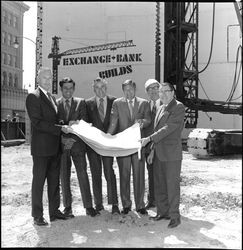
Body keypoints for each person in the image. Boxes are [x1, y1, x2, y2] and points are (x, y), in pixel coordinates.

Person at [25, 67, 72, 226]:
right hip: (41, 149)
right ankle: (37, 215)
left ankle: (54, 212)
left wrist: (65, 124)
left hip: (55, 148)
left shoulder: (52, 97)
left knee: (54, 181)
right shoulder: (33, 97)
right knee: (39, 182)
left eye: (49, 78)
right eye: (44, 78)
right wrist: (60, 129)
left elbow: (54, 120)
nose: (47, 80)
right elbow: (37, 123)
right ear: (38, 79)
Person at [140, 82, 185, 228]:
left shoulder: (178, 107)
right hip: (159, 153)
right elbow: (158, 128)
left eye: (166, 91)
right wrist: (152, 150)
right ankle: (162, 212)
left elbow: (169, 128)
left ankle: (174, 217)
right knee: (159, 185)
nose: (163, 94)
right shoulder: (160, 108)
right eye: (161, 92)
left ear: (173, 92)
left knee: (172, 186)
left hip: (172, 154)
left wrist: (150, 139)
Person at [107, 79, 151, 215]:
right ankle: (126, 205)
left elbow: (148, 120)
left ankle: (140, 205)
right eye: (125, 90)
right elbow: (113, 122)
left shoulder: (144, 103)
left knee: (139, 176)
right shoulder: (117, 103)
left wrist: (142, 122)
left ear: (135, 89)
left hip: (138, 146)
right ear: (123, 90)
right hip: (123, 146)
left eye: (130, 89)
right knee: (124, 175)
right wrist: (108, 136)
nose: (128, 92)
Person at [57, 77, 98, 218]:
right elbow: (55, 125)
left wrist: (73, 137)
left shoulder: (81, 102)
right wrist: (64, 139)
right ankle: (67, 207)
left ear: (74, 89)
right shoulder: (55, 104)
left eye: (70, 88)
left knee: (82, 174)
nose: (68, 91)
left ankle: (88, 206)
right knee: (64, 176)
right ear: (61, 89)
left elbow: (85, 122)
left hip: (78, 145)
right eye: (65, 88)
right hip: (62, 146)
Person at [85, 77, 120, 215]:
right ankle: (98, 203)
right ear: (94, 89)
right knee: (95, 173)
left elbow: (116, 121)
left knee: (109, 172)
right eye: (97, 88)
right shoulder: (87, 103)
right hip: (93, 145)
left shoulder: (114, 101)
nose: (100, 90)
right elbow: (85, 123)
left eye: (103, 87)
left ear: (107, 88)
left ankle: (114, 203)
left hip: (108, 145)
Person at [143, 79, 161, 209]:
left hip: (162, 146)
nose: (153, 91)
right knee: (151, 174)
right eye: (150, 89)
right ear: (147, 92)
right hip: (148, 146)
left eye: (155, 87)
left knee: (163, 174)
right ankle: (152, 200)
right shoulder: (144, 106)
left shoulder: (166, 106)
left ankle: (163, 201)